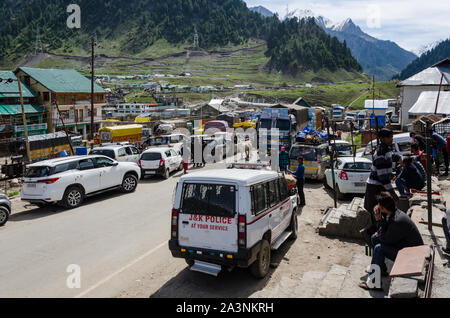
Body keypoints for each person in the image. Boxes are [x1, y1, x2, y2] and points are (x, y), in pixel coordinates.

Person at [359, 193, 424, 291]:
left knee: (379, 248)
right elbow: (384, 234)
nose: (377, 207)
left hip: (412, 255)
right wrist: (381, 220)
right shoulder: (393, 212)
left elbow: (385, 239)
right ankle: (382, 270)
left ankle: (374, 283)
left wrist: (378, 220)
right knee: (374, 238)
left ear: (384, 208)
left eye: (379, 205)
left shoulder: (397, 220)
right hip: (404, 246)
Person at [363, 128, 400, 240]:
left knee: (382, 215)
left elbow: (396, 158)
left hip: (379, 186)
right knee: (378, 215)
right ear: (382, 139)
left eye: (392, 137)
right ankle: (371, 237)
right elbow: (383, 178)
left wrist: (415, 158)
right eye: (389, 137)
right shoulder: (380, 152)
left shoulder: (387, 150)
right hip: (375, 187)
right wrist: (392, 193)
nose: (391, 139)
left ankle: (377, 238)